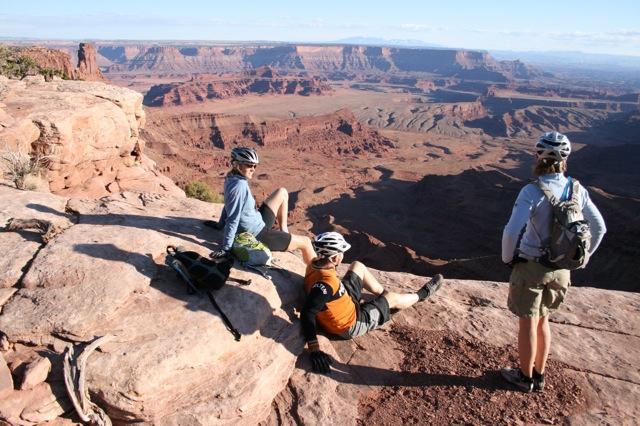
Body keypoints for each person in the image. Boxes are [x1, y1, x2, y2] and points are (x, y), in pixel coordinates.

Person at [500, 131, 606, 392]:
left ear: (538, 157)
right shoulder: (577, 189)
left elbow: (512, 231)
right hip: (561, 269)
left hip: (532, 266)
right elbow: (600, 227)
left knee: (528, 322)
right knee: (544, 320)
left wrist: (507, 258)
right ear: (566, 159)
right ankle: (540, 374)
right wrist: (584, 258)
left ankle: (524, 377)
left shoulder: (532, 191)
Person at [301, 231, 444, 373]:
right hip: (350, 323)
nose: (343, 255)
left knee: (357, 265)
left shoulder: (314, 264)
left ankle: (383, 297)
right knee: (392, 298)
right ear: (334, 258)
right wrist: (314, 349)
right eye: (341, 253)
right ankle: (421, 295)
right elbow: (307, 313)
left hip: (344, 300)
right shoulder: (326, 284)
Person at [208, 147, 316, 264]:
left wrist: (220, 225)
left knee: (282, 192)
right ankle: (317, 276)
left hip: (259, 221)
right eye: (249, 165)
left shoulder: (231, 178)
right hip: (259, 235)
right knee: (306, 242)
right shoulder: (239, 186)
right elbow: (233, 218)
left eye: (255, 166)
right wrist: (226, 248)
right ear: (236, 164)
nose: (253, 169)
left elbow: (229, 205)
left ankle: (284, 232)